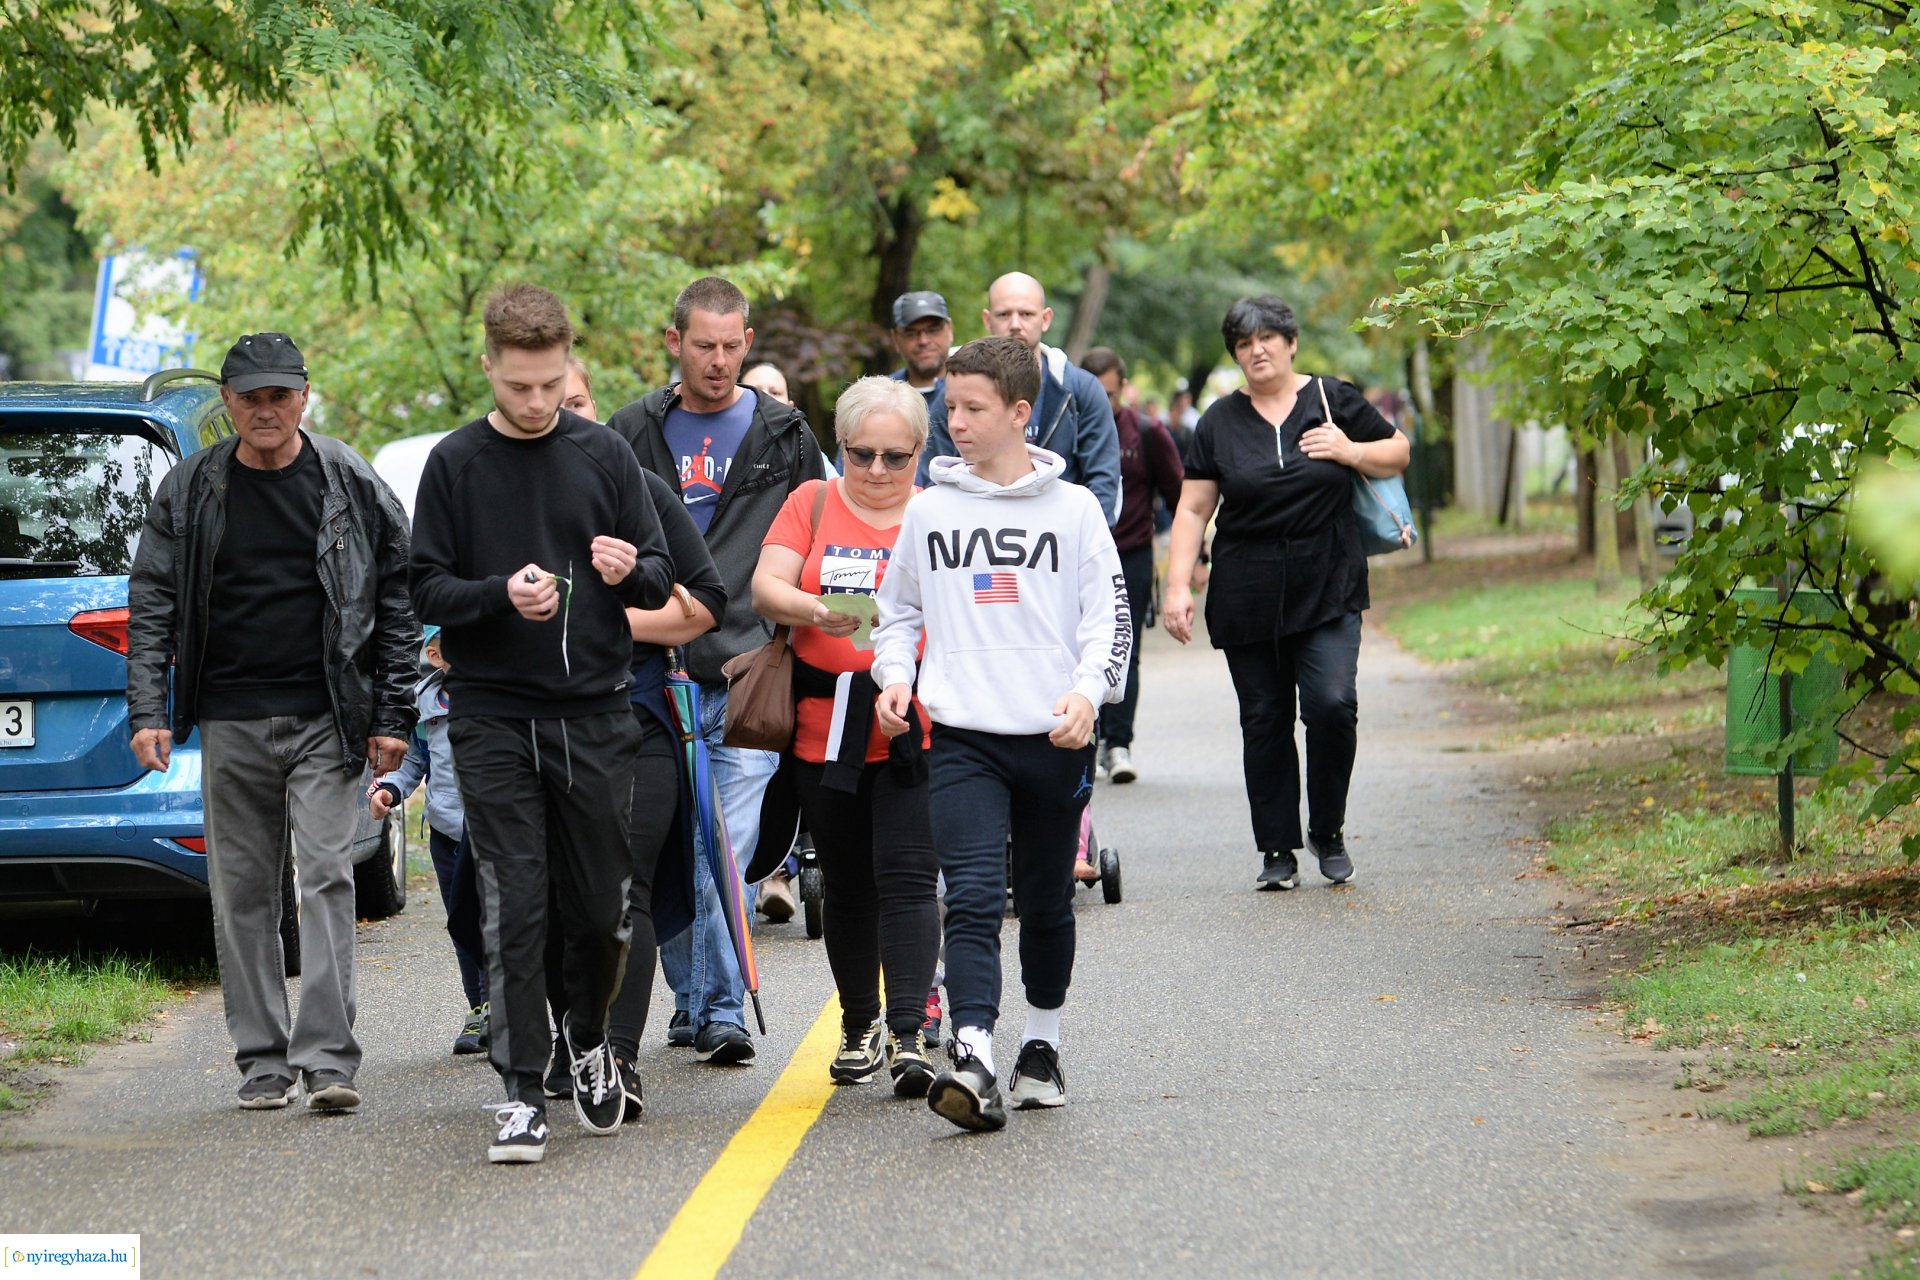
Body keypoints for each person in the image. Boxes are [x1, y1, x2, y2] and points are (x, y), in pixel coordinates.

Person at [410, 283, 676, 1163]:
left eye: (551, 385)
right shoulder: (454, 465)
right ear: (488, 366)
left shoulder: (605, 456)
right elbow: (423, 590)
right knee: (515, 903)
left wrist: (630, 566)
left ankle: (591, 1038)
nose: (536, 403)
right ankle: (521, 1090)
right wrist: (496, 596)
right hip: (489, 715)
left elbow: (661, 578)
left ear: (569, 370)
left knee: (602, 911)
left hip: (595, 715)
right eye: (519, 386)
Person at [126, 331, 417, 1113]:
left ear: (304, 395)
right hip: (230, 717)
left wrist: (394, 711)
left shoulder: (346, 478)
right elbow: (151, 601)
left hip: (327, 714)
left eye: (279, 394)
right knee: (243, 891)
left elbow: (398, 590)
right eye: (250, 395)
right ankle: (261, 1058)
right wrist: (148, 709)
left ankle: (327, 1059)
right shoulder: (191, 489)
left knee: (325, 876)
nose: (265, 409)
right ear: (227, 401)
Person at [873, 336, 1131, 1133]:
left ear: (1020, 413)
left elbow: (1110, 620)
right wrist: (896, 678)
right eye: (949, 407)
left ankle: (1043, 1046)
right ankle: (976, 1052)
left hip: (1053, 737)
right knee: (975, 897)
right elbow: (897, 613)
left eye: (972, 409)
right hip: (963, 738)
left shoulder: (1076, 510)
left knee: (1049, 900)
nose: (955, 423)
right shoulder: (930, 509)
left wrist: (1090, 695)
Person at [607, 276, 830, 1066]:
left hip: (750, 667)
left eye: (734, 345)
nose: (721, 360)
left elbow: (823, 531)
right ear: (675, 343)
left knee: (723, 847)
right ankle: (695, 999)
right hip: (652, 668)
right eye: (705, 345)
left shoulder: (785, 431)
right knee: (667, 848)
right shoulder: (629, 430)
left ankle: (720, 1006)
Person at [1162, 295, 1410, 892]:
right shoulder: (1219, 421)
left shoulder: (1333, 399)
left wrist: (1350, 450)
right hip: (1247, 589)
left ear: (1291, 342)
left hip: (1328, 579)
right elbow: (1194, 507)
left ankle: (1328, 828)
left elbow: (1398, 449)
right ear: (1236, 354)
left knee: (1331, 703)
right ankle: (1276, 847)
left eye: (1268, 338)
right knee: (1265, 719)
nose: (1258, 350)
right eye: (1244, 343)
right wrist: (1176, 585)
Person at [539, 355, 728, 1118]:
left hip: (638, 716)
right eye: (551, 398)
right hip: (537, 728)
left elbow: (706, 599)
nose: (566, 411)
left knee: (626, 889)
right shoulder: (506, 491)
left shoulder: (639, 488)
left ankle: (616, 1054)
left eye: (577, 397)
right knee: (556, 897)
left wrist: (605, 619)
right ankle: (570, 1038)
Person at [752, 376, 940, 1097]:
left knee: (909, 878)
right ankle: (860, 1025)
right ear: (842, 448)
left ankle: (911, 1030)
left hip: (910, 724)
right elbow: (765, 585)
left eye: (897, 457)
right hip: (822, 726)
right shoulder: (813, 502)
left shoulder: (936, 513)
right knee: (848, 882)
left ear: (920, 452)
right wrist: (816, 608)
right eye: (863, 454)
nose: (879, 472)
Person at [912, 272, 1120, 525]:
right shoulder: (956, 391)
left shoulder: (1080, 390)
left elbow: (1104, 482)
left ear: (1046, 319)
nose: (1015, 324)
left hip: (1058, 541)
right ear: (987, 320)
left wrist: (1077, 541)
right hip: (974, 538)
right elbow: (934, 474)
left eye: (1026, 314)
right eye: (1003, 314)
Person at [369, 625, 488, 1055]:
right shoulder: (424, 700)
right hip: (447, 832)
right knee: (462, 922)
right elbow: (414, 759)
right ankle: (478, 1008)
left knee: (497, 919)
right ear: (435, 656)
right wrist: (390, 789)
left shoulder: (496, 691)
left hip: (492, 832)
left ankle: (505, 1007)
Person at [1079, 348, 1183, 787]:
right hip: (1079, 558)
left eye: (1109, 392)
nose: (1103, 402)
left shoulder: (1146, 431)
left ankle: (1118, 743)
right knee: (1078, 648)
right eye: (1094, 394)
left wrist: (1193, 558)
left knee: (1125, 650)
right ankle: (1088, 735)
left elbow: (1180, 495)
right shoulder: (1073, 430)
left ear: (1122, 386)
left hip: (1131, 554)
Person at [891, 291, 952, 482]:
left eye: (933, 330)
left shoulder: (975, 395)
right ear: (895, 338)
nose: (924, 340)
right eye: (911, 333)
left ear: (950, 329)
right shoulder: (877, 399)